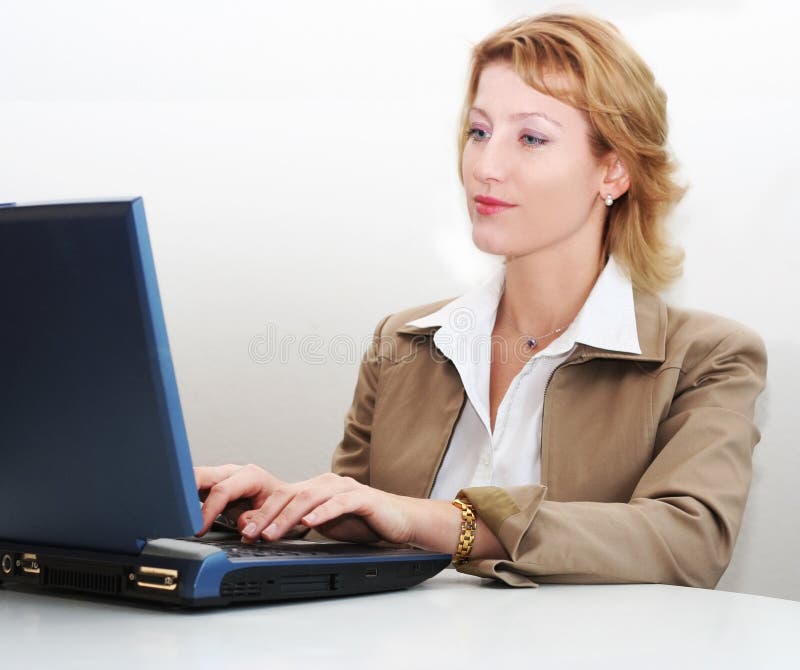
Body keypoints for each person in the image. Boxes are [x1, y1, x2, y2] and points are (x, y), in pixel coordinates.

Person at [195, 12, 767, 588]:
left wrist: (442, 521)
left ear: (614, 170)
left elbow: (688, 542)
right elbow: (361, 536)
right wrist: (284, 513)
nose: (486, 167)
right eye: (479, 131)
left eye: (531, 138)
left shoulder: (707, 358)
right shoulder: (401, 342)